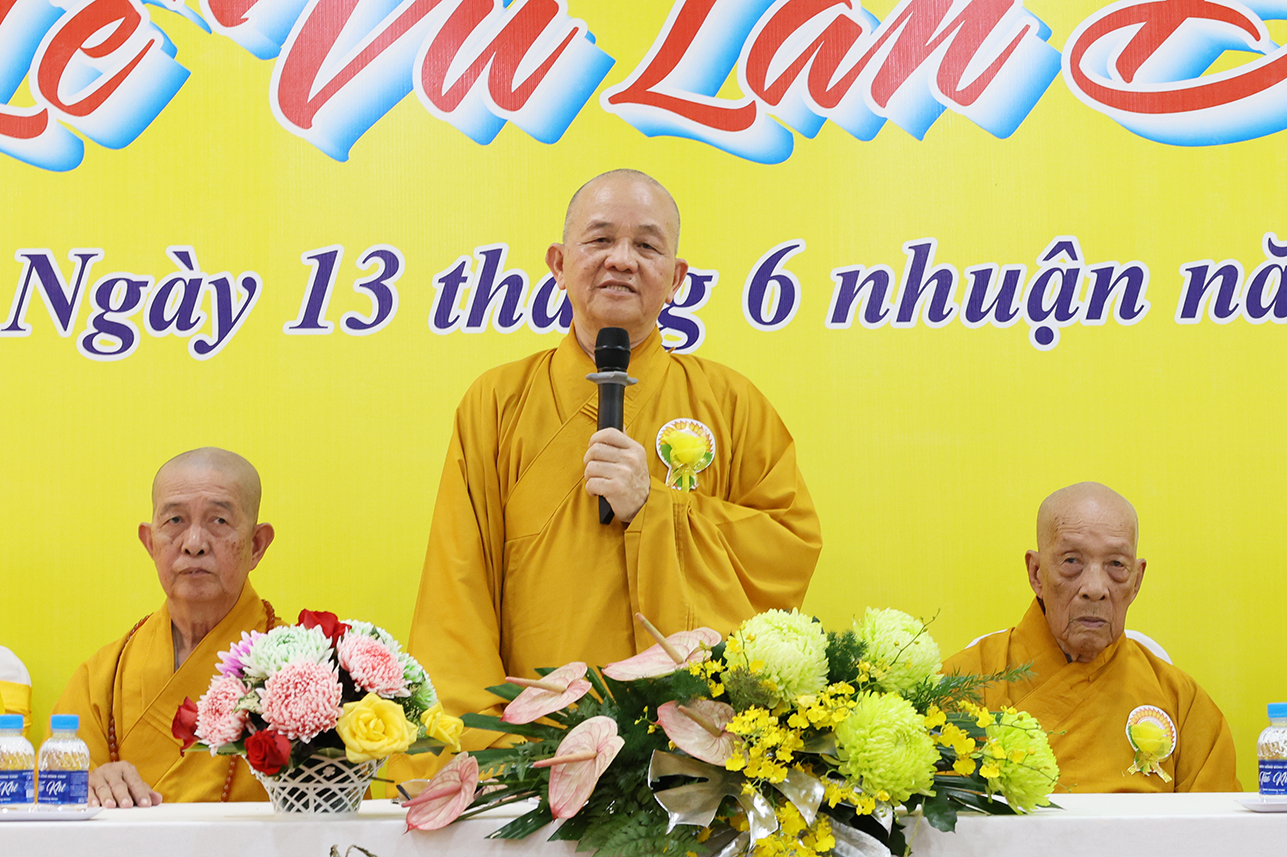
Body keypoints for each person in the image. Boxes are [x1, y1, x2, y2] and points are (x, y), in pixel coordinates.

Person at [390, 170, 821, 780]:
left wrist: (658, 507)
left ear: (676, 278)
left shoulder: (732, 404)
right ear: (559, 263)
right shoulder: (496, 403)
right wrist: (489, 744)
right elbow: (456, 589)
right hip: (537, 752)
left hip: (688, 757)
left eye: (646, 245)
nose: (622, 260)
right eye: (600, 240)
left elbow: (786, 551)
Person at [944, 482, 1239, 792]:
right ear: (1036, 573)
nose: (1095, 588)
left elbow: (1216, 819)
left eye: (1116, 565)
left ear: (1136, 581)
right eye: (1072, 561)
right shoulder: (964, 685)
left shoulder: (1181, 702)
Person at [53, 448, 277, 807]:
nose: (194, 544)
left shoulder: (305, 677)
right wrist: (86, 787)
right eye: (174, 521)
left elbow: (340, 814)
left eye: (219, 521)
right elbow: (52, 794)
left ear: (256, 545)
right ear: (150, 542)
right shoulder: (102, 678)